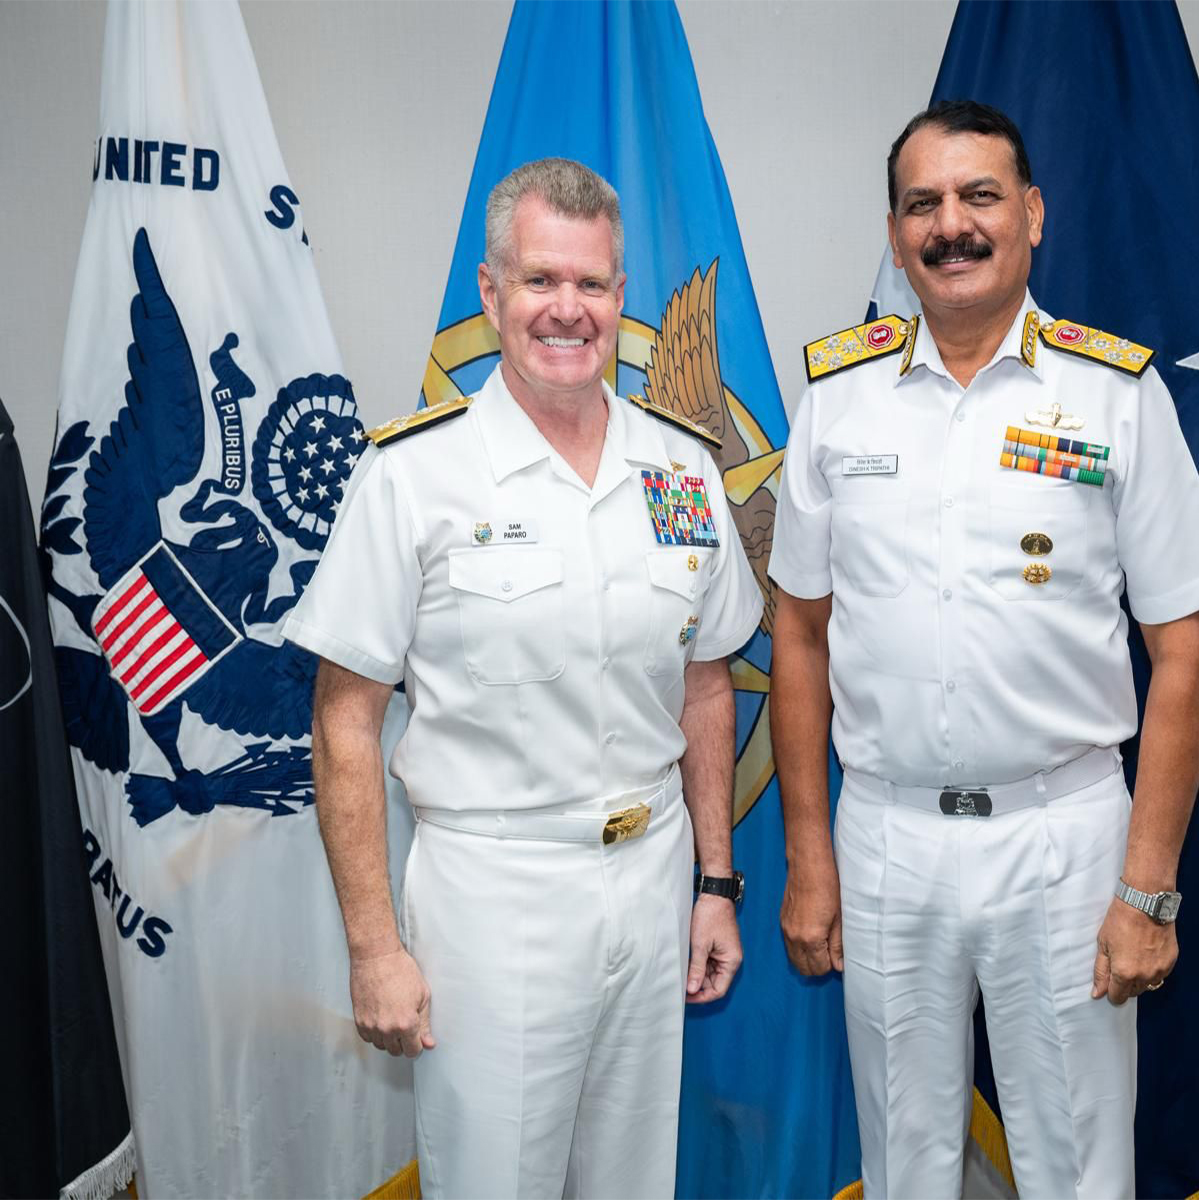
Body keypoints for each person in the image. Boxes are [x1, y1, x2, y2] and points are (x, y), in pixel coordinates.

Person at [769, 101, 1199, 1199]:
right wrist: (807, 855)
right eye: (923, 204)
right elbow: (796, 630)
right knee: (904, 1165)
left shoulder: (1114, 395)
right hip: (884, 835)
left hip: (1063, 838)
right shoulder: (836, 403)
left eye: (979, 196)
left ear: (1031, 215)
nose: (952, 225)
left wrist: (1148, 890)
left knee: (1077, 1165)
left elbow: (1188, 651)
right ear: (895, 236)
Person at [284, 157, 762, 1200]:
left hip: (649, 885)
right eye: (540, 280)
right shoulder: (413, 477)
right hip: (491, 901)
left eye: (592, 285)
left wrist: (715, 883)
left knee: (633, 1182)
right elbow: (345, 725)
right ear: (491, 291)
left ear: (621, 300)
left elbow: (708, 685)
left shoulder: (681, 469)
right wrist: (375, 947)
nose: (567, 310)